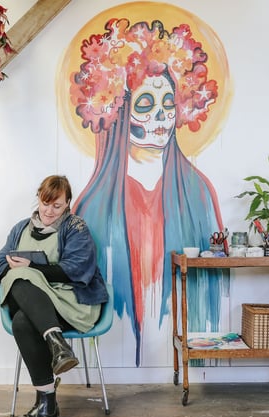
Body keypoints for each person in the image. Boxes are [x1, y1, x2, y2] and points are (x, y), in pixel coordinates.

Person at [69, 18, 228, 365]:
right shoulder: (91, 204)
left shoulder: (198, 191)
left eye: (169, 104)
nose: (161, 116)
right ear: (118, 110)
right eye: (145, 105)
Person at [0, 175, 108, 417]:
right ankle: (57, 344)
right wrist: (17, 267)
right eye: (46, 203)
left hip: (71, 304)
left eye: (57, 205)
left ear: (68, 203)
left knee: (23, 322)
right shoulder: (21, 228)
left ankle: (47, 407)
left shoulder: (76, 227)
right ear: (39, 198)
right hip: (35, 302)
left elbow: (77, 269)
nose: (49, 211)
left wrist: (32, 267)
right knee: (19, 276)